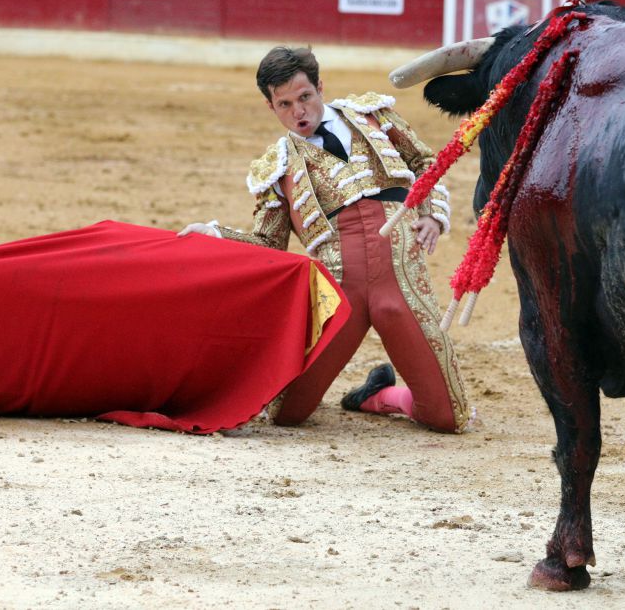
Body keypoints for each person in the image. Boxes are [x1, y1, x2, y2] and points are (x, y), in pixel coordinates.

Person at [180, 46, 469, 433]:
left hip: (400, 276)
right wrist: (216, 235)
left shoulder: (371, 115)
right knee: (285, 411)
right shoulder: (277, 167)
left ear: (320, 87)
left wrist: (432, 212)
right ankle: (369, 393)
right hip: (339, 290)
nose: (298, 112)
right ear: (270, 106)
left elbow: (423, 162)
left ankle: (381, 397)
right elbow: (268, 243)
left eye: (305, 97)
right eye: (284, 104)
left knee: (448, 416)